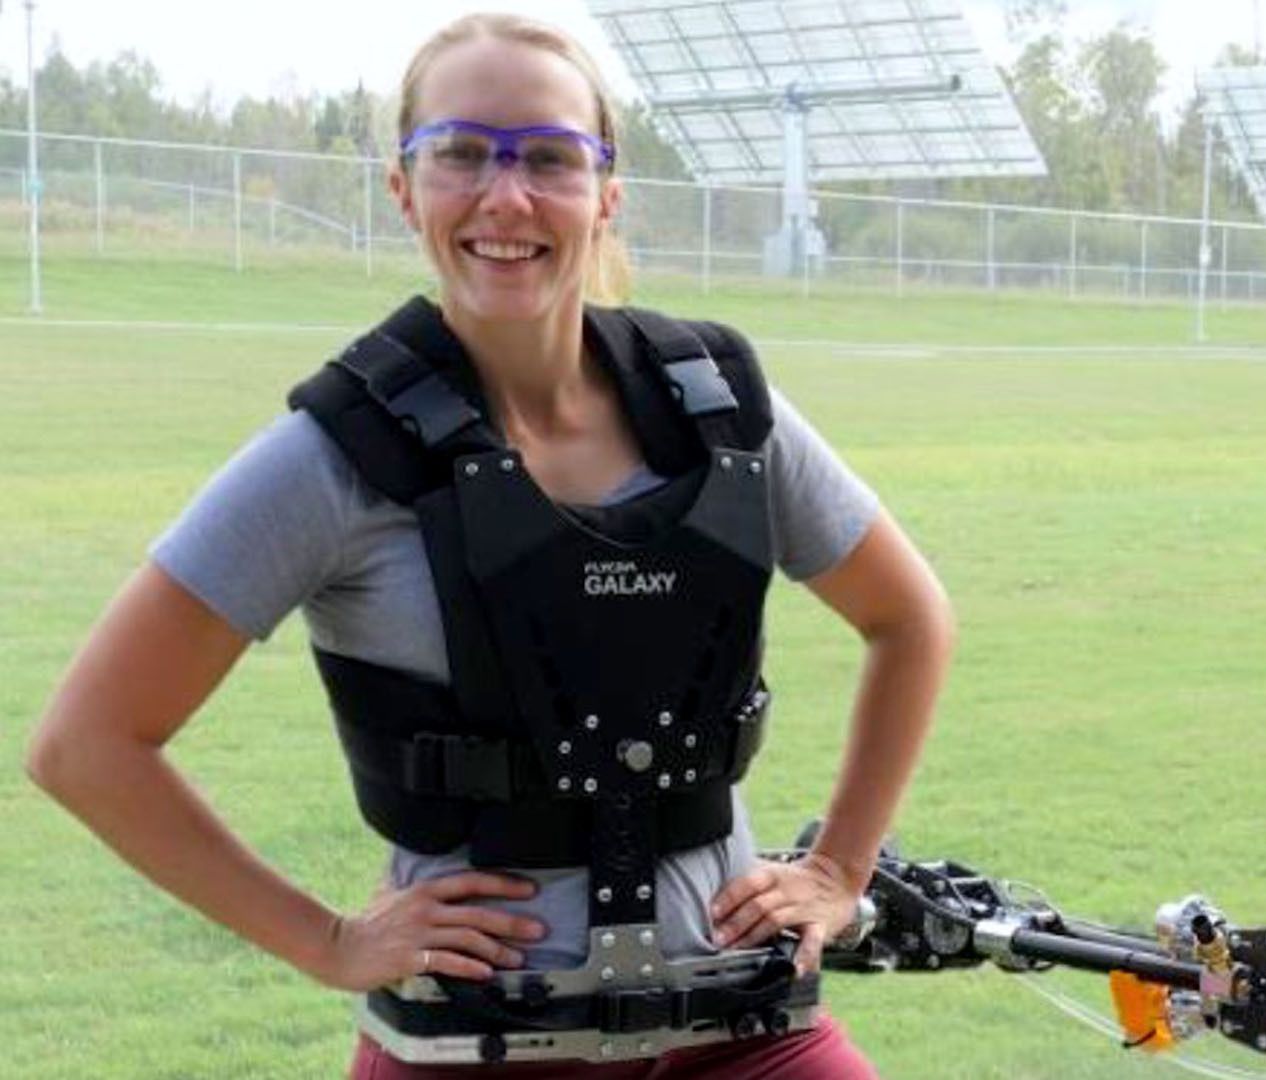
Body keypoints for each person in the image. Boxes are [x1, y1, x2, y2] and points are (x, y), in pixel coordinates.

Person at [25, 12, 954, 1078]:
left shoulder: (723, 414)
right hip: (472, 1050)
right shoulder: (336, 459)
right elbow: (85, 745)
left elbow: (909, 617)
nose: (505, 197)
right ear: (402, 187)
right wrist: (328, 941)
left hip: (746, 1030)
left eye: (550, 158)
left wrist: (840, 867)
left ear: (606, 192)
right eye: (461, 152)